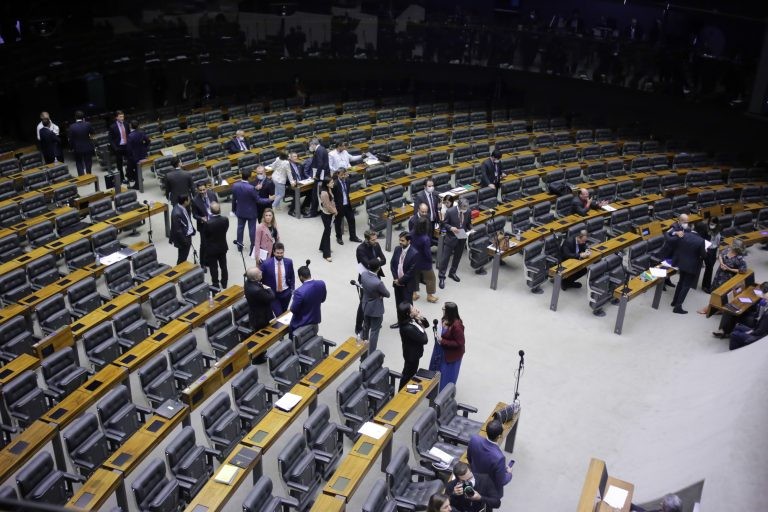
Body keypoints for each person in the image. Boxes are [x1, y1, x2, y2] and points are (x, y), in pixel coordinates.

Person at [467, 420, 513, 496]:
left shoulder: (474, 439)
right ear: (499, 436)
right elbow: (502, 481)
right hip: (489, 491)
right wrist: (509, 474)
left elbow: (469, 459)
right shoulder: (499, 458)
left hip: (474, 479)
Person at [355, 230, 387, 335]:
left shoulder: (376, 245)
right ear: (367, 239)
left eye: (375, 238)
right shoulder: (360, 249)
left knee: (377, 300)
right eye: (373, 240)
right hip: (366, 278)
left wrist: (375, 264)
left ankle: (372, 321)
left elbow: (384, 259)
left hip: (376, 276)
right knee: (363, 302)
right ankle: (358, 326)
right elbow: (367, 265)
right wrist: (377, 263)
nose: (375, 241)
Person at [232, 169, 271, 254]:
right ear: (249, 177)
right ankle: (253, 246)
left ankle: (239, 245)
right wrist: (269, 199)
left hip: (240, 211)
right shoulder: (251, 188)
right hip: (251, 212)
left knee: (240, 228)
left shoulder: (235, 185)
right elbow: (258, 200)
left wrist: (233, 209)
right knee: (252, 230)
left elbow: (234, 199)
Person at [438, 197, 472, 289]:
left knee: (458, 256)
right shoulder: (450, 211)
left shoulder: (468, 211)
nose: (465, 210)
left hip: (461, 236)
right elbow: (444, 224)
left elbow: (468, 223)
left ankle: (452, 273)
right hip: (451, 237)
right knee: (445, 258)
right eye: (463, 209)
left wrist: (471, 228)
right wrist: (451, 228)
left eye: (466, 209)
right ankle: (441, 277)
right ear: (459, 206)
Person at [670, 228, 706, 314]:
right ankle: (678, 307)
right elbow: (703, 255)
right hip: (691, 266)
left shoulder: (684, 235)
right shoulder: (701, 241)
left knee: (680, 282)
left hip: (681, 263)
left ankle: (674, 302)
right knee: (686, 286)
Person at [360, 259, 390, 352]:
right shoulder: (378, 282)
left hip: (365, 304)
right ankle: (371, 351)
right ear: (378, 268)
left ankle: (362, 345)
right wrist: (379, 295)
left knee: (366, 325)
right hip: (375, 309)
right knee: (374, 331)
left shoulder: (363, 274)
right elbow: (387, 294)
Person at [397, 302, 429, 389]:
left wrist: (419, 317)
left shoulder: (411, 319)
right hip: (411, 355)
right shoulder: (407, 328)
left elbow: (427, 324)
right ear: (408, 313)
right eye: (413, 309)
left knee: (410, 372)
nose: (415, 309)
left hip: (414, 353)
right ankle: (402, 393)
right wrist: (422, 328)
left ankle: (409, 389)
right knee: (408, 374)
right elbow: (424, 340)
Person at [390, 231, 419, 327]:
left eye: (402, 240)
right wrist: (396, 279)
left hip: (407, 285)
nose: (400, 242)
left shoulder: (414, 253)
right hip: (397, 283)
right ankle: (400, 321)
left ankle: (408, 323)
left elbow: (411, 272)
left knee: (408, 305)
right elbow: (392, 264)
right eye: (399, 240)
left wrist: (400, 281)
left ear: (409, 241)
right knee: (398, 303)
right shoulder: (397, 249)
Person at [289, 264, 327, 333]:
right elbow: (323, 300)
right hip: (315, 323)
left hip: (300, 326)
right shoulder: (321, 284)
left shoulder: (299, 292)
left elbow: (293, 310)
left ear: (300, 277)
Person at [260, 242, 295, 316]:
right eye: (277, 253)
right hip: (273, 294)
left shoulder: (289, 262)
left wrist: (292, 289)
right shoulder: (266, 264)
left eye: (281, 253)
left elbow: (292, 275)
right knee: (279, 314)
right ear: (273, 252)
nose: (280, 255)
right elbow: (260, 279)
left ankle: (284, 327)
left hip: (286, 293)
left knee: (284, 312)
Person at [438, 302, 465, 390]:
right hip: (444, 351)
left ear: (448, 312)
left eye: (444, 309)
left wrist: (443, 341)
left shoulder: (457, 326)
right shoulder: (445, 319)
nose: (442, 310)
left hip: (452, 355)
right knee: (440, 372)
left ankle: (444, 394)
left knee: (447, 375)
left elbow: (460, 343)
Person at [202, 202, 229, 289]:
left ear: (210, 211)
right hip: (222, 247)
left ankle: (215, 284)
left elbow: (205, 236)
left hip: (212, 249)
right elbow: (226, 229)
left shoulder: (208, 223)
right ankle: (224, 283)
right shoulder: (225, 219)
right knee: (223, 266)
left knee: (213, 267)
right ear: (220, 210)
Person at [412, 216, 439, 303]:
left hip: (413, 259)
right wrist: (430, 260)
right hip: (424, 262)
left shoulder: (411, 233)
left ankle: (414, 293)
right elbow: (427, 253)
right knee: (431, 278)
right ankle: (430, 296)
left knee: (415, 276)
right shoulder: (425, 238)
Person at [332, 168, 362, 245]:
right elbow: (331, 195)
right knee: (338, 222)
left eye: (344, 175)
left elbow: (357, 177)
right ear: (338, 174)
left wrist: (350, 175)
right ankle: (339, 237)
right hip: (339, 206)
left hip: (347, 204)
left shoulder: (347, 181)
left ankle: (353, 236)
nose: (343, 177)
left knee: (352, 220)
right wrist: (333, 206)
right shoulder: (335, 184)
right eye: (341, 175)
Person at [244, 267, 275, 331]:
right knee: (263, 332)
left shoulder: (247, 282)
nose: (261, 272)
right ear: (255, 278)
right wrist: (268, 288)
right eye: (259, 273)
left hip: (254, 313)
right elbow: (271, 297)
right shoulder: (257, 290)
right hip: (261, 318)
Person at [307, 137, 330, 217]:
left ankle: (313, 213)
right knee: (320, 193)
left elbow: (320, 164)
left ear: (313, 144)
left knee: (315, 194)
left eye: (310, 145)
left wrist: (316, 175)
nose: (310, 147)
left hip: (320, 176)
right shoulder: (323, 148)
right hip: (324, 174)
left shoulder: (318, 150)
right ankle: (319, 209)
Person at [68, 110, 95, 176]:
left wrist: (71, 148)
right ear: (83, 117)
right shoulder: (88, 124)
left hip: (77, 148)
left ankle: (82, 177)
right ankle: (89, 176)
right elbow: (93, 133)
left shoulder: (72, 126)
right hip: (88, 146)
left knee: (79, 162)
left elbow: (70, 139)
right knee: (88, 162)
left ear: (75, 117)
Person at [698, 218, 721, 293]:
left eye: (713, 224)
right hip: (707, 250)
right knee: (709, 268)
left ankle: (706, 285)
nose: (712, 225)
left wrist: (717, 252)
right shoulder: (705, 229)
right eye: (710, 223)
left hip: (714, 250)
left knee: (710, 268)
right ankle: (706, 286)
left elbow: (718, 242)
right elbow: (701, 239)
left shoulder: (718, 230)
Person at [170, 195, 195, 264]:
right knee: (182, 258)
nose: (190, 200)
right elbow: (178, 230)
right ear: (185, 201)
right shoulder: (176, 213)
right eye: (189, 199)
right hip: (183, 239)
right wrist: (185, 241)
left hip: (187, 234)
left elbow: (186, 220)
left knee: (184, 256)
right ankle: (179, 271)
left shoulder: (183, 207)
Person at [125, 120, 150, 189]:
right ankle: (138, 180)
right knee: (135, 169)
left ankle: (138, 181)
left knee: (128, 171)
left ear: (130, 126)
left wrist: (129, 156)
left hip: (134, 157)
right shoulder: (142, 132)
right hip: (142, 155)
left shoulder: (130, 136)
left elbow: (129, 149)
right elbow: (148, 141)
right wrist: (144, 147)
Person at [318, 178, 337, 262]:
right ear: (327, 184)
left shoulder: (329, 189)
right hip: (326, 214)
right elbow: (327, 206)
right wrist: (335, 211)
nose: (333, 183)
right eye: (331, 182)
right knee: (327, 233)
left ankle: (322, 247)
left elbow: (332, 202)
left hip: (330, 213)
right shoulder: (324, 193)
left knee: (326, 231)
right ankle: (326, 254)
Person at [108, 110, 130, 182]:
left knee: (129, 162)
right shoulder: (112, 127)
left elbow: (129, 135)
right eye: (120, 117)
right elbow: (110, 139)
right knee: (119, 165)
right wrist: (115, 148)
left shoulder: (126, 124)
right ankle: (122, 178)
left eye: (123, 116)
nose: (122, 118)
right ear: (116, 118)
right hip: (118, 147)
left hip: (126, 146)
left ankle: (129, 176)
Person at [287, 151, 311, 216]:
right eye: (294, 156)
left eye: (296, 156)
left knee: (311, 191)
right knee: (297, 193)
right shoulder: (287, 166)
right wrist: (291, 181)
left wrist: (308, 179)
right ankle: (291, 211)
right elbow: (286, 178)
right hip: (291, 185)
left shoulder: (299, 164)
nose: (296, 157)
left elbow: (302, 175)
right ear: (290, 158)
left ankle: (303, 208)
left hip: (301, 184)